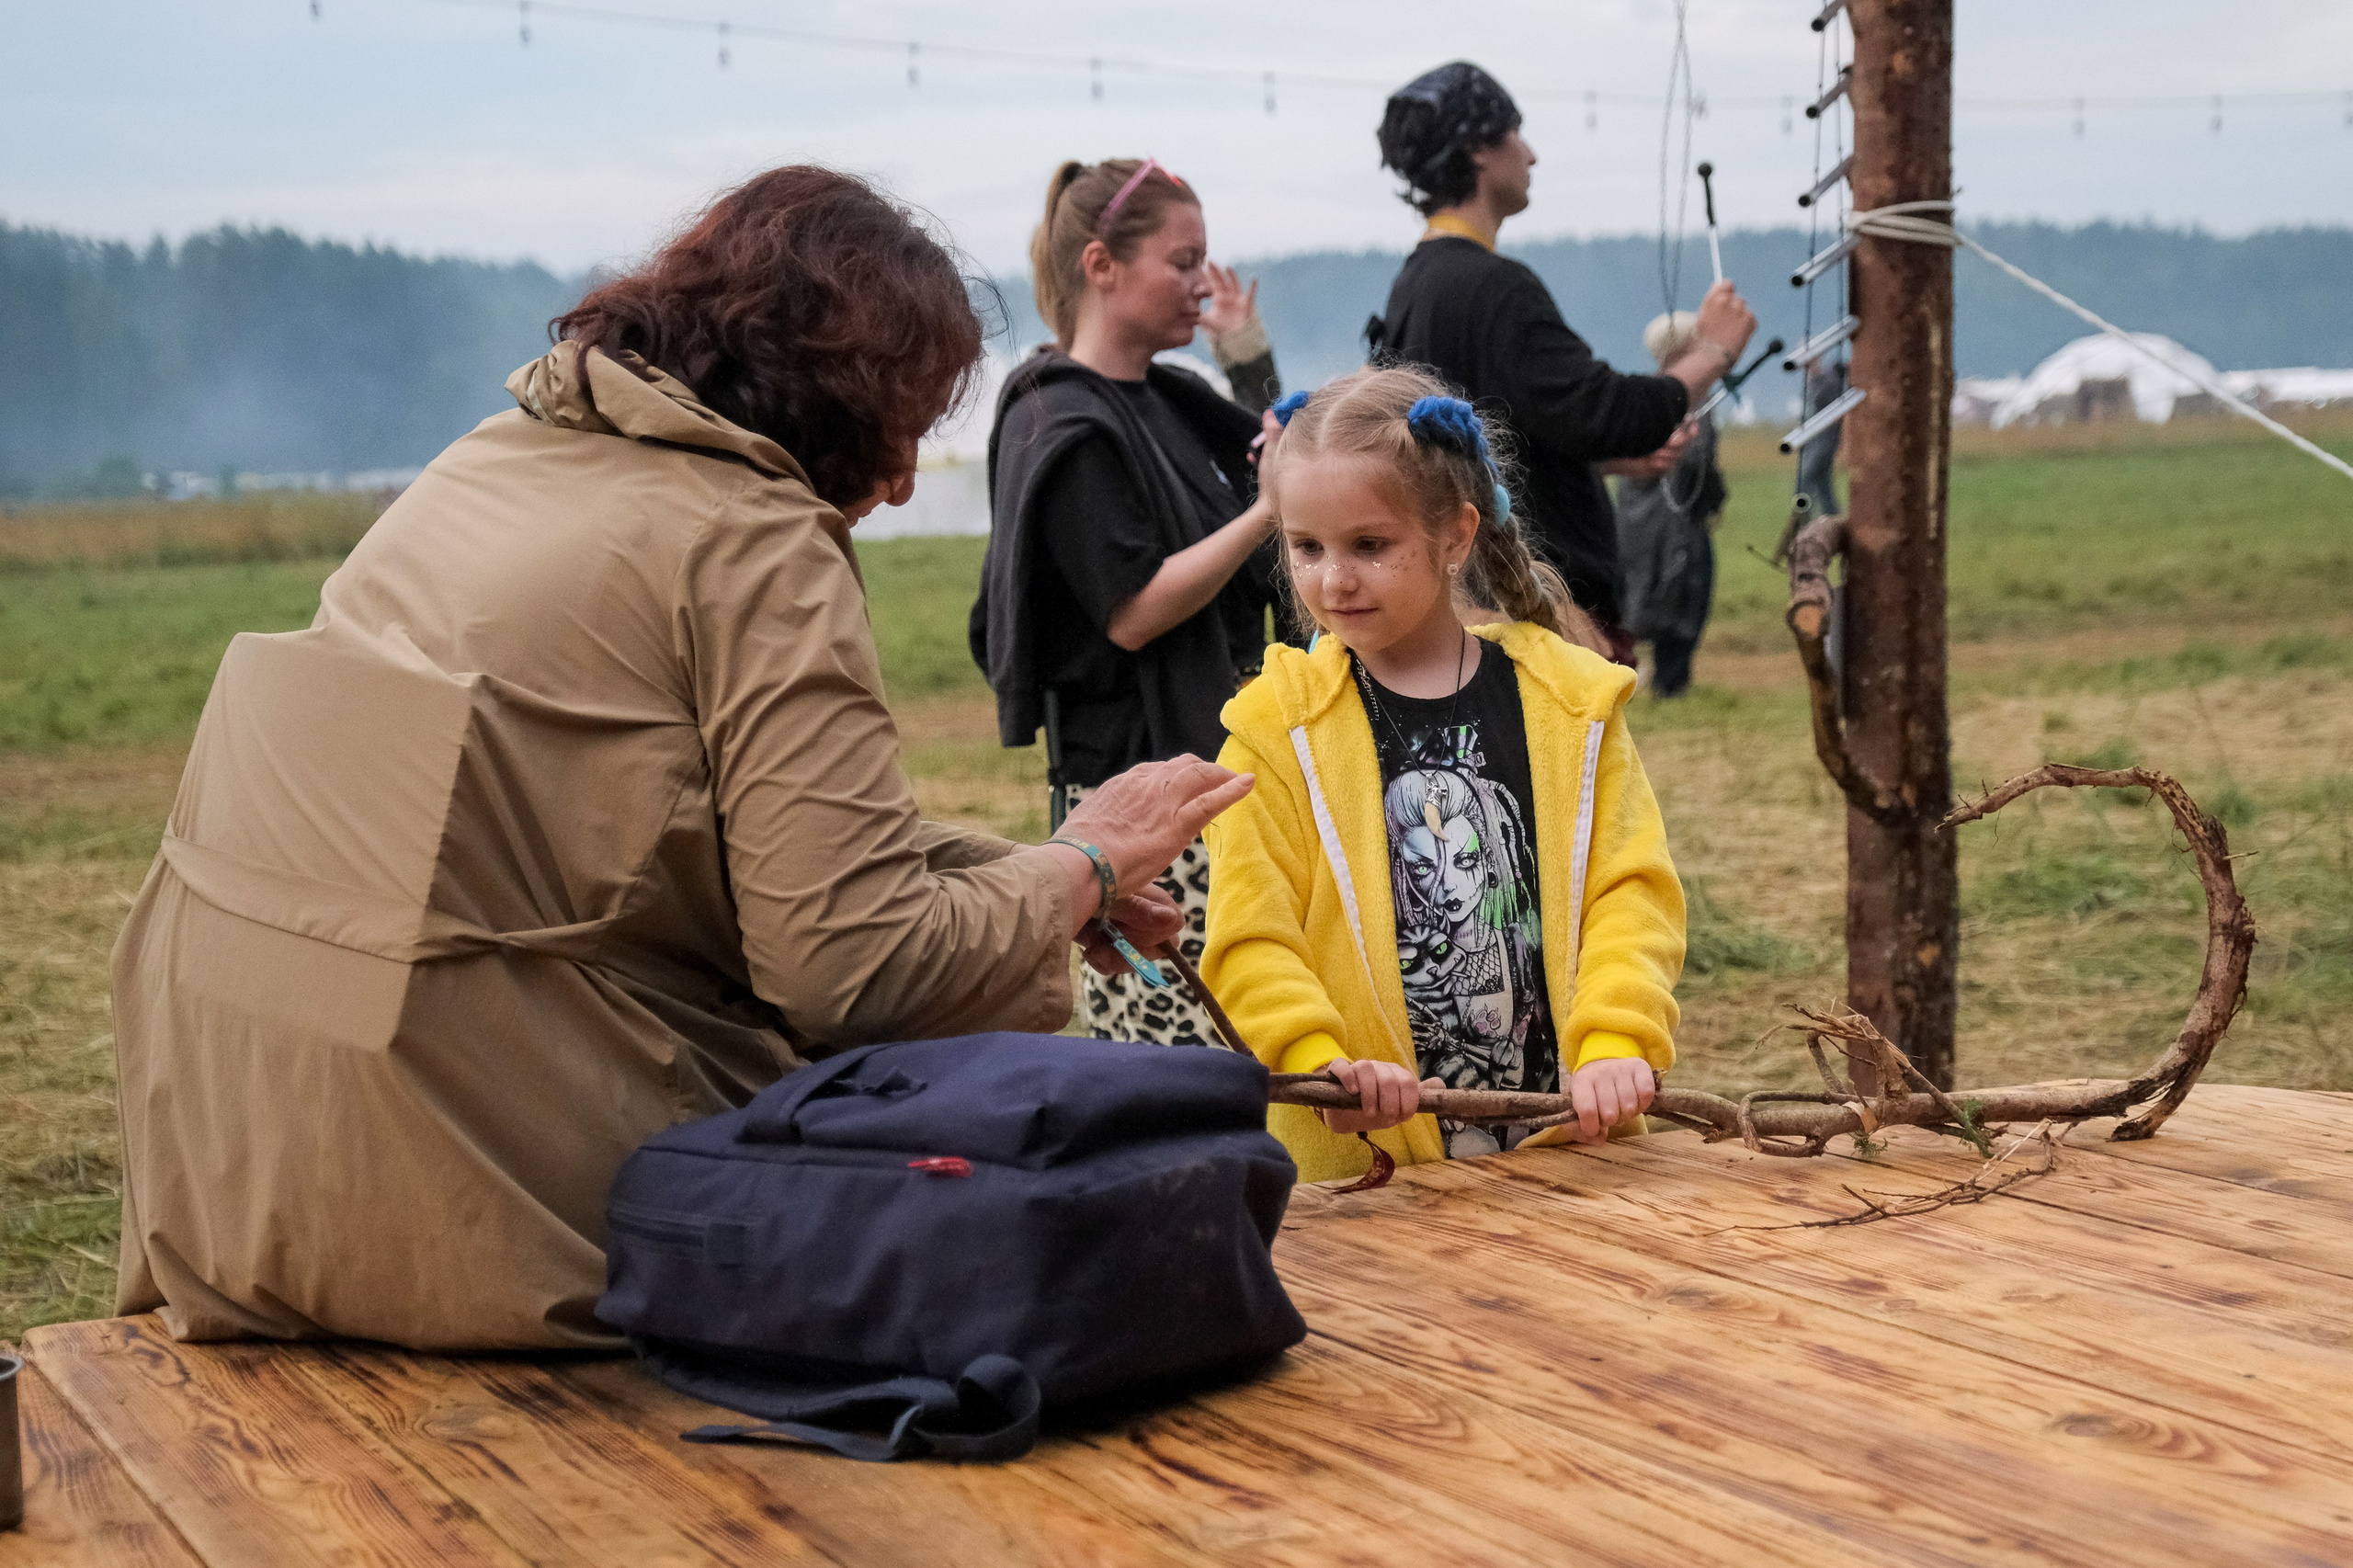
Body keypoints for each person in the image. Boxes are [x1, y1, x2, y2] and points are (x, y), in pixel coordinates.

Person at [108, 166, 1252, 1351]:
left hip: (227, 1162)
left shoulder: (490, 461)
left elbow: (650, 828)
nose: (906, 481)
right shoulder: (754, 542)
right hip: (451, 1194)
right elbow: (852, 965)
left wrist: (1041, 877)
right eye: (904, 429)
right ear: (841, 396)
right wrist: (1075, 867)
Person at [1200, 367, 1685, 1184]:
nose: (1333, 578)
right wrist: (1320, 1065)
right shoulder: (1272, 733)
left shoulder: (1571, 704)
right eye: (1306, 547)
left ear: (1455, 537)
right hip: (1367, 1176)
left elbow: (1629, 891)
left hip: (1573, 1153)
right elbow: (1252, 937)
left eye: (1370, 545)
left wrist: (1613, 1042)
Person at [972, 157, 1288, 1046]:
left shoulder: (1172, 397)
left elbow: (1295, 459)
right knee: (1170, 1042)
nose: (1201, 283)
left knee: (1254, 1019)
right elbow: (1136, 610)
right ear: (1101, 265)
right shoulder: (1060, 422)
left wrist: (1251, 365)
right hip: (1134, 785)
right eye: (1182, 262)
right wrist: (1266, 513)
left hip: (1209, 755)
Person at [1365, 60, 1756, 664]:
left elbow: (1496, 440)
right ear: (1477, 150)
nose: (1531, 155)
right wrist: (1712, 351)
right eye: (1515, 133)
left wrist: (1596, 459)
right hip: (1539, 619)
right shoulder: (1494, 288)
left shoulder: (1415, 286)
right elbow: (1608, 411)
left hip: (1472, 609)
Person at [1618, 311, 1730, 698]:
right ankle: (1669, 684)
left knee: (1635, 598)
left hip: (1633, 521)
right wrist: (1714, 503)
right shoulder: (1692, 400)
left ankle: (1626, 677)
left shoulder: (1638, 394)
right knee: (1682, 598)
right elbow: (1700, 465)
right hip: (1678, 519)